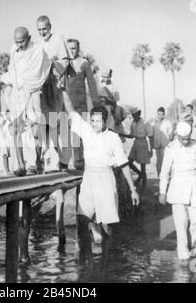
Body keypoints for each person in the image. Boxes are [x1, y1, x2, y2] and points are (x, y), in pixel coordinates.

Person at [61, 87, 139, 274]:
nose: (95, 123)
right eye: (92, 120)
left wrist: (132, 189)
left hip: (106, 179)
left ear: (105, 121)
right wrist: (63, 89)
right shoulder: (86, 131)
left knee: (107, 226)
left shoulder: (112, 138)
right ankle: (88, 260)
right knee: (81, 220)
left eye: (98, 121)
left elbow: (123, 164)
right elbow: (71, 111)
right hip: (89, 178)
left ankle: (104, 263)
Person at [0, 26, 51, 176]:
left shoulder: (37, 50)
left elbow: (38, 73)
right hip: (18, 92)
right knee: (15, 129)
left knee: (36, 130)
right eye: (17, 41)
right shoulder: (14, 49)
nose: (20, 45)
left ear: (29, 38)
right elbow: (13, 70)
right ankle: (20, 164)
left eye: (22, 42)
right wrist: (4, 80)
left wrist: (22, 81)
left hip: (32, 92)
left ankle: (38, 162)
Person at [159, 122, 196, 262]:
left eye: (188, 137)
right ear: (177, 136)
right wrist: (162, 191)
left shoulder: (195, 145)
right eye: (183, 138)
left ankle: (191, 243)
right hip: (177, 186)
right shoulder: (171, 148)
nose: (186, 140)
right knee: (181, 224)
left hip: (195, 185)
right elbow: (164, 172)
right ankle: (183, 255)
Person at [61, 38, 101, 172]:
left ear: (78, 48)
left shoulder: (84, 63)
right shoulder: (63, 63)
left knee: (78, 134)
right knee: (64, 134)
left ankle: (79, 164)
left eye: (74, 48)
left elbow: (91, 84)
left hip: (80, 105)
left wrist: (96, 104)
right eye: (70, 48)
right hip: (65, 104)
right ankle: (63, 163)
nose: (72, 51)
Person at [36, 15, 69, 171]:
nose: (42, 32)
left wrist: (54, 62)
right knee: (45, 122)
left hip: (56, 84)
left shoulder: (58, 39)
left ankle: (63, 159)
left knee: (59, 120)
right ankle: (48, 159)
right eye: (39, 30)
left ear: (50, 27)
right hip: (43, 86)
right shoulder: (37, 44)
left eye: (45, 29)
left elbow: (65, 63)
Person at [127, 108, 153, 192]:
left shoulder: (145, 123)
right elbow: (131, 135)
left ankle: (144, 186)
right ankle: (140, 175)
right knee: (129, 162)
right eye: (133, 115)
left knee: (143, 166)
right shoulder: (133, 123)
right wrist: (120, 134)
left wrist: (151, 149)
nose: (134, 117)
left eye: (135, 115)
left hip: (143, 144)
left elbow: (150, 136)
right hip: (135, 143)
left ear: (139, 114)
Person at [151, 107, 173, 176]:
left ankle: (166, 176)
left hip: (165, 146)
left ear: (164, 114)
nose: (160, 116)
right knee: (158, 161)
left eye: (162, 114)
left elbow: (171, 134)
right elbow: (151, 134)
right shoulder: (154, 123)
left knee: (166, 162)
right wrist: (152, 145)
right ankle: (159, 176)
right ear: (157, 114)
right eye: (159, 114)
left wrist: (169, 142)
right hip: (157, 145)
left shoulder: (167, 123)